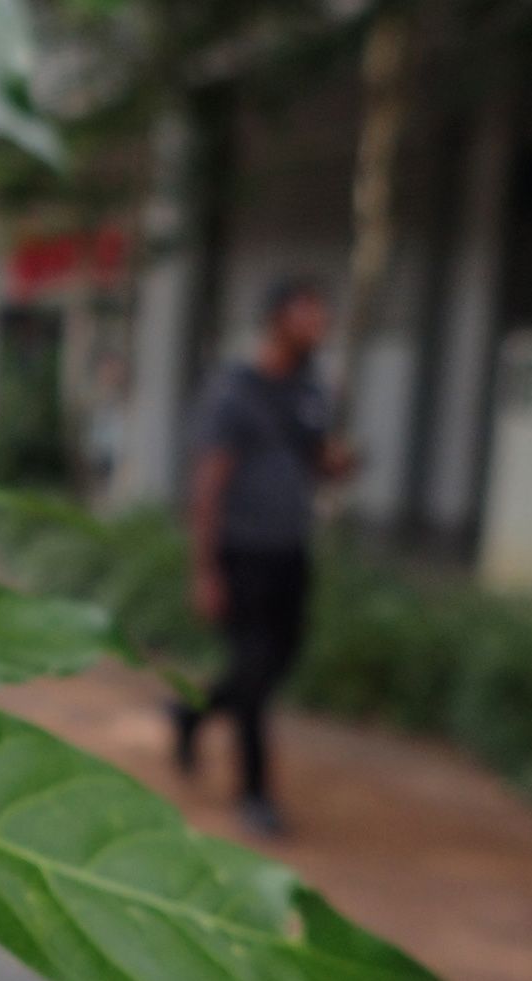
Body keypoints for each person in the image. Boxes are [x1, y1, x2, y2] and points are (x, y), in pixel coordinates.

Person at [170, 276, 352, 836]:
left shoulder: (309, 390)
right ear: (278, 320)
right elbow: (209, 482)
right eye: (308, 317)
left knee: (280, 659)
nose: (319, 328)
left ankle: (192, 710)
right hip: (241, 551)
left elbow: (317, 460)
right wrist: (205, 569)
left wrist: (339, 466)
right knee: (252, 671)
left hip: (290, 549)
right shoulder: (236, 392)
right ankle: (255, 794)